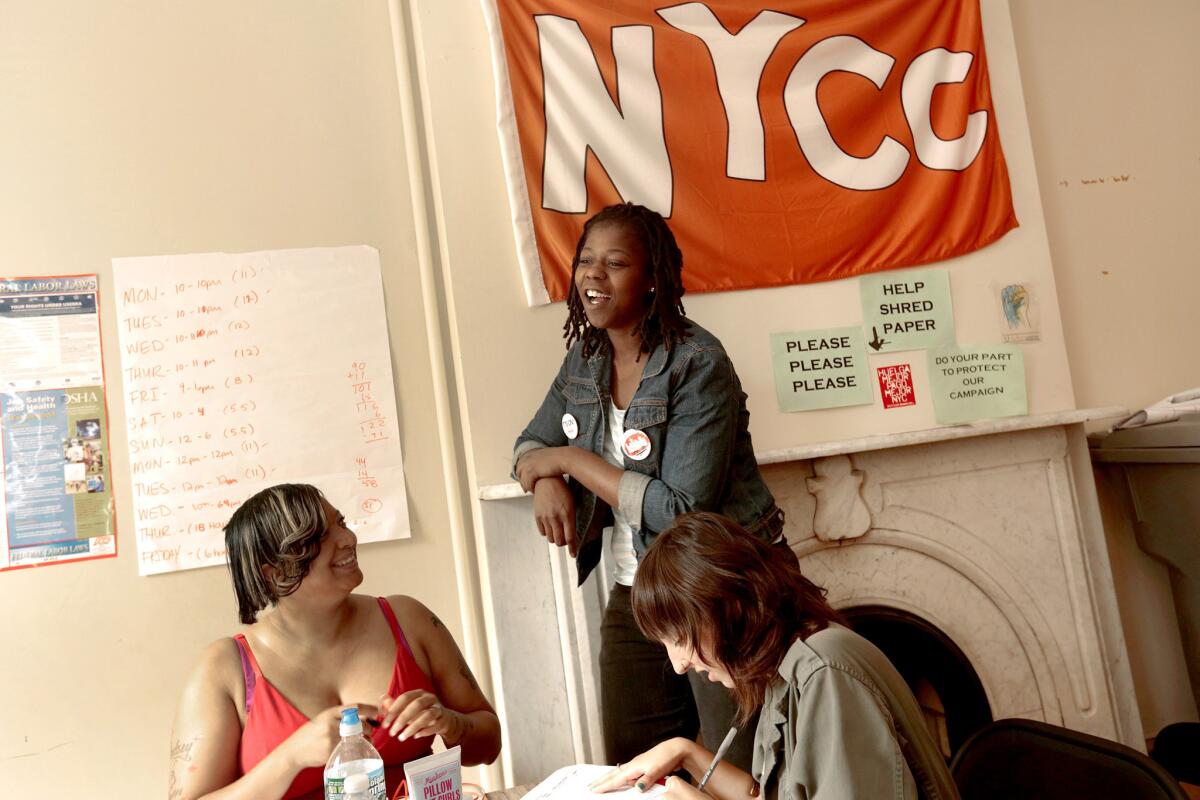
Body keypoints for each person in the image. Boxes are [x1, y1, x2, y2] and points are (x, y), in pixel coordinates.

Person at [513, 203, 783, 769]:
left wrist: (571, 461)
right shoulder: (585, 359)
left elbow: (681, 510)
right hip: (636, 591)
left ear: (653, 277)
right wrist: (544, 478)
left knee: (732, 768)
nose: (593, 275)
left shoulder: (697, 362)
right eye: (586, 260)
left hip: (719, 593)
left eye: (614, 263)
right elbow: (528, 445)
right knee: (633, 766)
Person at [590, 512, 960, 800]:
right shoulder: (789, 664)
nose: (679, 664)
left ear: (728, 607)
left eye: (679, 638)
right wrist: (684, 751)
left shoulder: (823, 671)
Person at [169, 483, 501, 800]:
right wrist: (291, 756)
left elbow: (489, 744)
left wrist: (449, 722)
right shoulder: (224, 668)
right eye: (319, 536)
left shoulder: (408, 619)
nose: (347, 539)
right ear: (274, 572)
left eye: (340, 523)